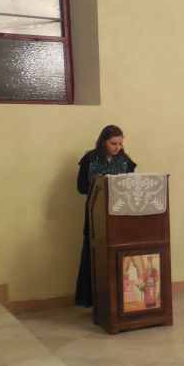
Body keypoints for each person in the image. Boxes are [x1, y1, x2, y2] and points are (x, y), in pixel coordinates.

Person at [75, 125, 136, 307]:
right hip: (97, 213)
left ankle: (120, 299)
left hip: (120, 214)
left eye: (120, 144)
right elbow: (81, 187)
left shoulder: (125, 161)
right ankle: (93, 300)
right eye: (113, 143)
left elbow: (131, 185)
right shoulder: (90, 159)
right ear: (103, 142)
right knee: (94, 252)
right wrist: (100, 182)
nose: (117, 147)